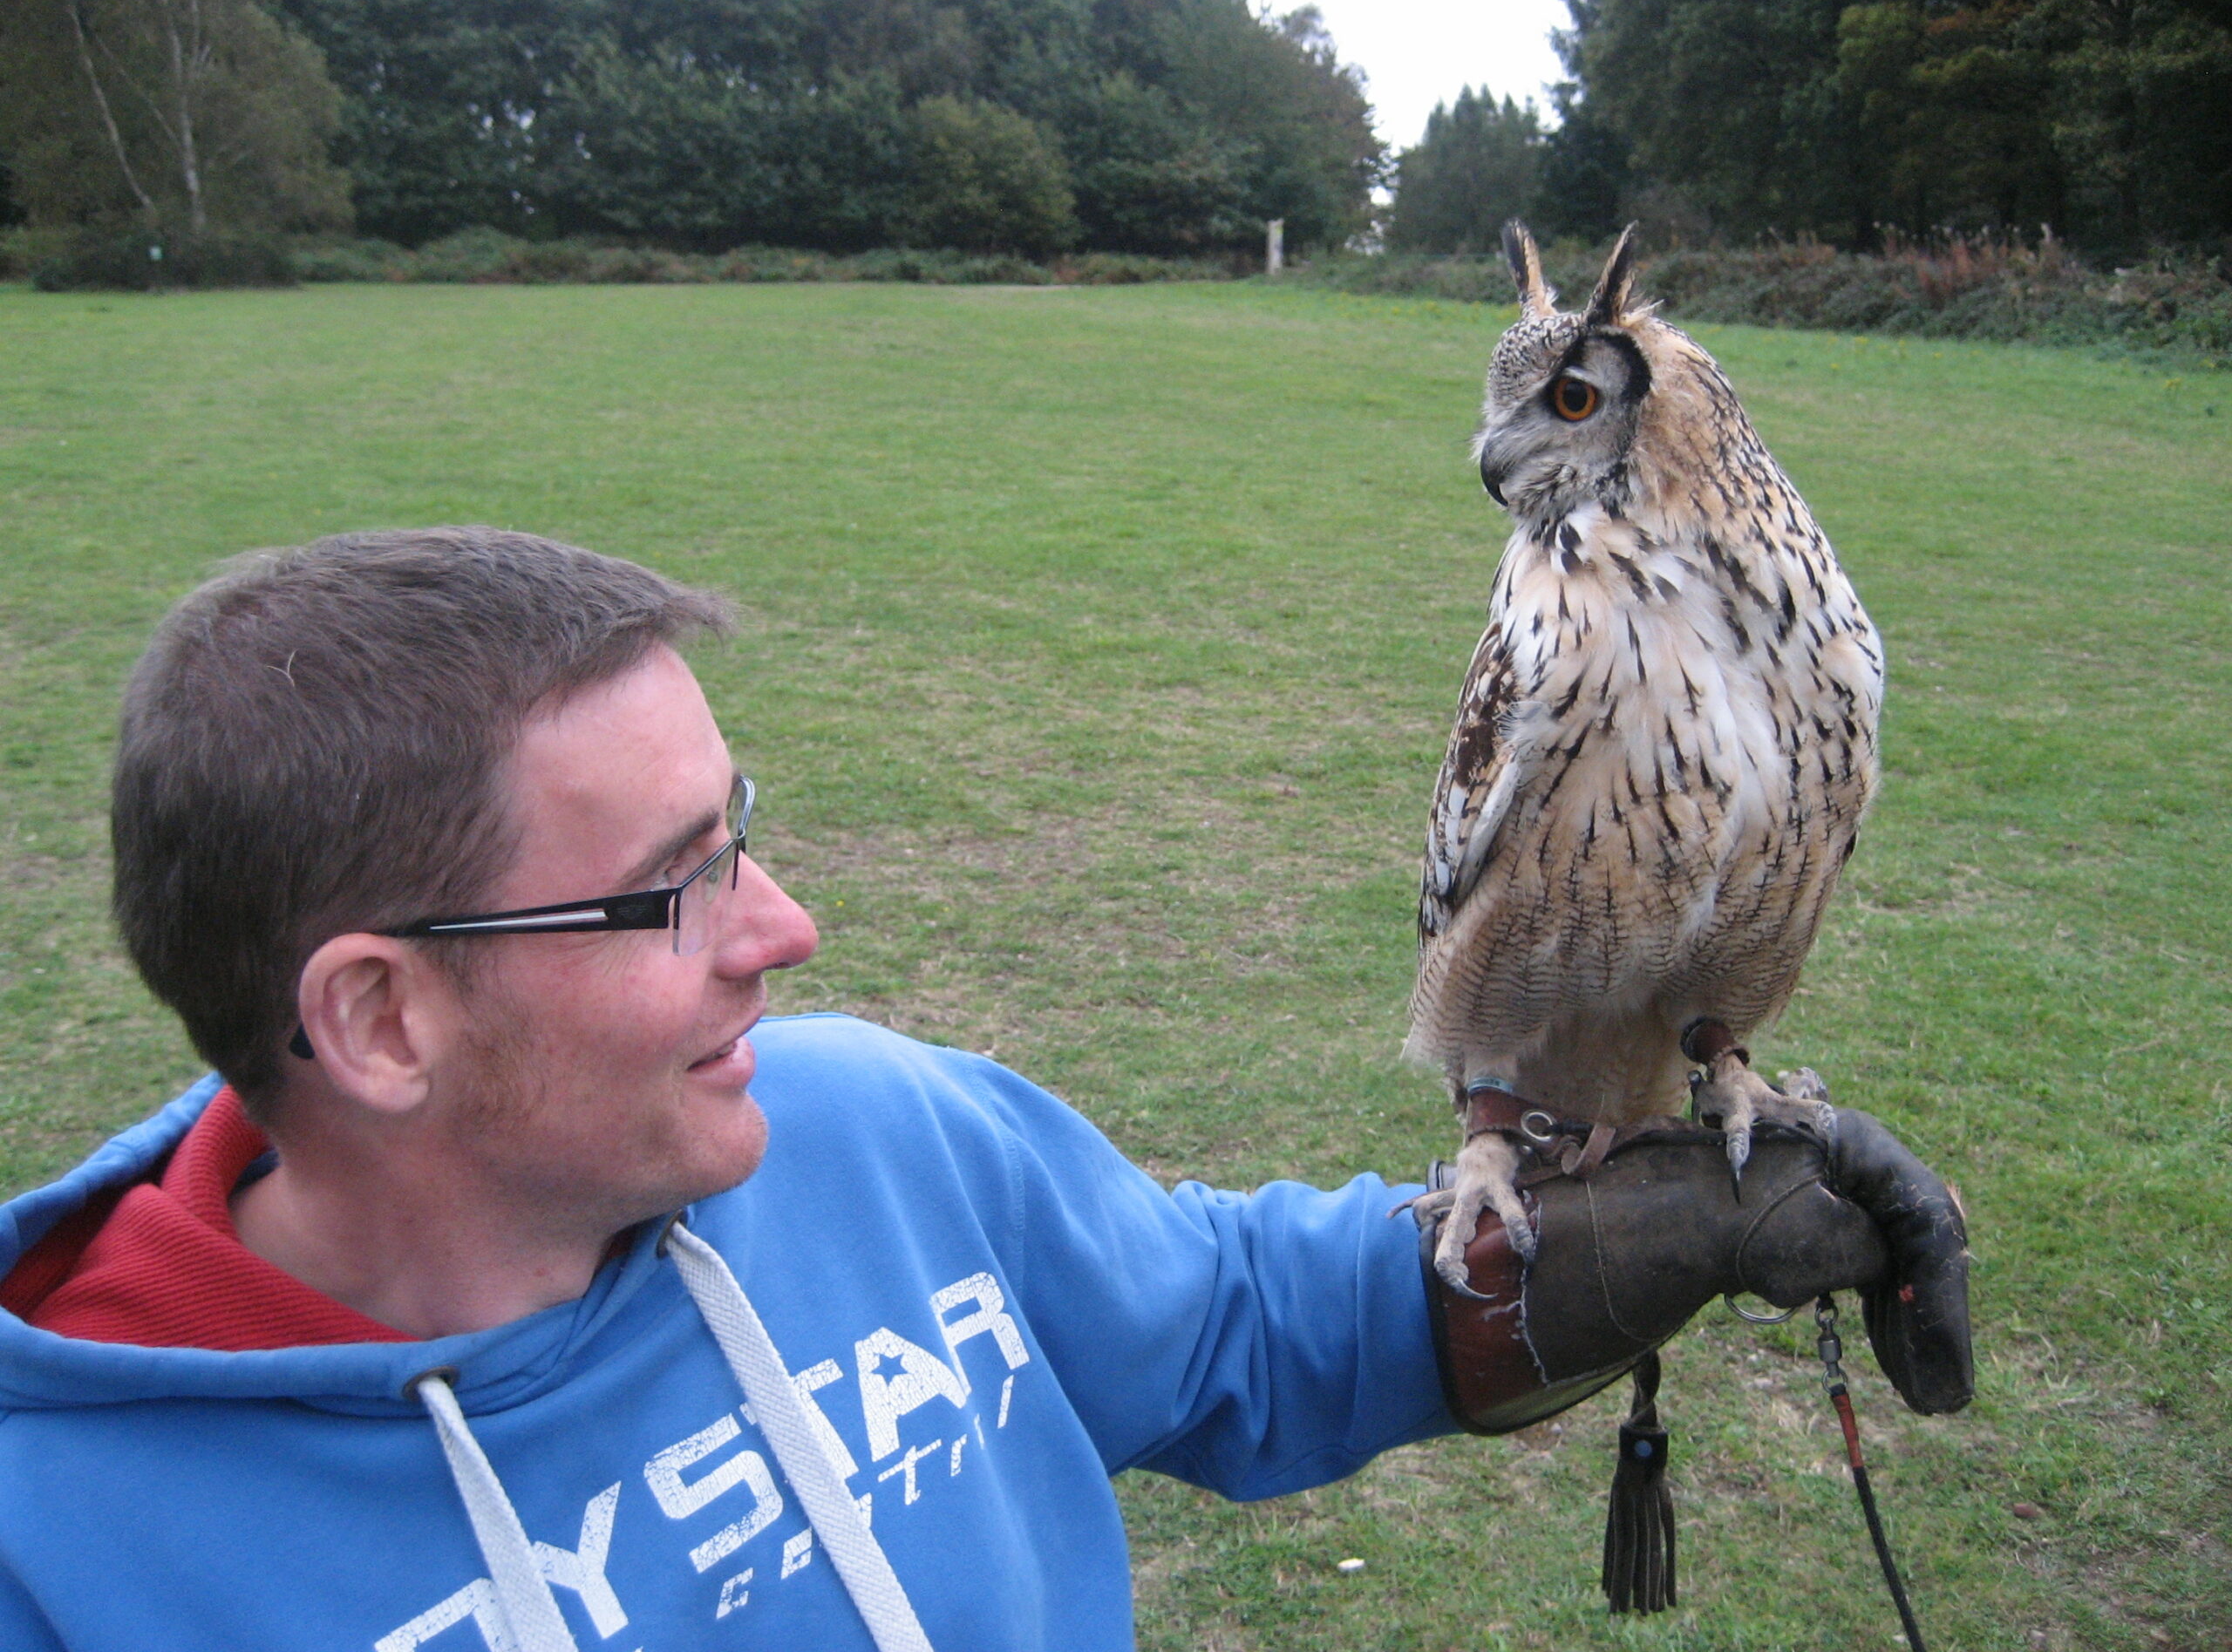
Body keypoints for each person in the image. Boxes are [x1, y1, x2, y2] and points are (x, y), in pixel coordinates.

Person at [0, 527, 1967, 1651]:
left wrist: (1613, 1242)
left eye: (741, 831)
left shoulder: (867, 1131)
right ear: (379, 1023)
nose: (784, 923)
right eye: (673, 883)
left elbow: (1238, 1331)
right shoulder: (63, 1556)